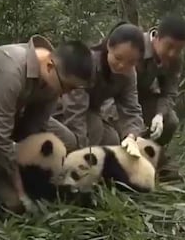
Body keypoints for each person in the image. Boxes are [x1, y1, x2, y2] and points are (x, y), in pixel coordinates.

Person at [0, 35, 94, 213]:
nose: (66, 94)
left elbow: (34, 127)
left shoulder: (53, 81)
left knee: (67, 140)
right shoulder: (11, 71)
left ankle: (39, 186)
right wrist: (20, 192)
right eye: (67, 87)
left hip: (11, 112)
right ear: (50, 67)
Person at [53, 22, 146, 158]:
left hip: (92, 113)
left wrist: (131, 136)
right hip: (63, 111)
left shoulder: (129, 75)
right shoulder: (88, 63)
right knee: (94, 127)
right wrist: (81, 152)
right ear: (109, 46)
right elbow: (74, 111)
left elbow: (131, 109)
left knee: (112, 140)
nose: (122, 65)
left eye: (131, 62)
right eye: (118, 58)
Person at [136, 14, 185, 146]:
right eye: (169, 46)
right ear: (157, 38)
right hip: (116, 100)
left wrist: (159, 115)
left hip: (143, 98)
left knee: (170, 121)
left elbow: (169, 91)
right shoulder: (136, 47)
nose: (172, 53)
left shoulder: (175, 59)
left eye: (178, 49)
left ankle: (153, 153)